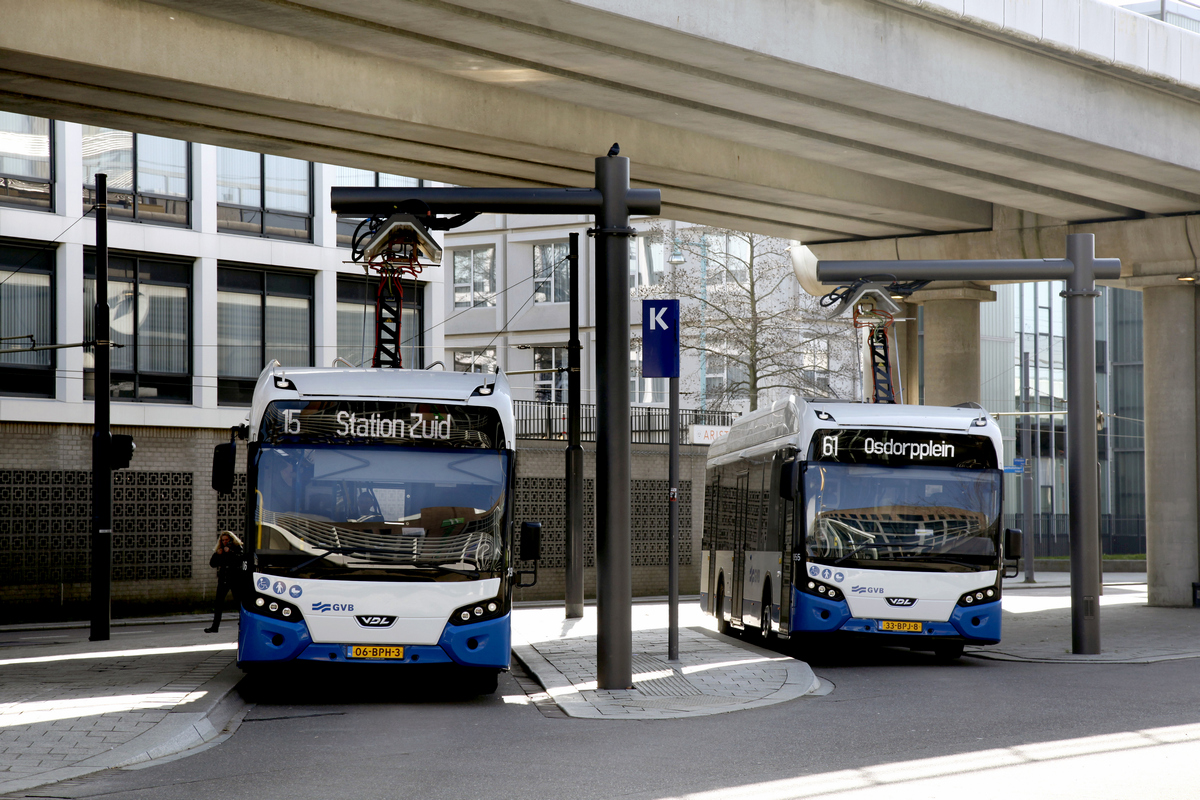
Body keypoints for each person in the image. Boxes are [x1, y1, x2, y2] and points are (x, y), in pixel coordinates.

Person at [205, 530, 243, 634]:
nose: (225, 542)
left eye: (227, 540)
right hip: (223, 579)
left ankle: (243, 623)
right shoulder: (220, 549)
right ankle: (214, 627)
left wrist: (230, 552)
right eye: (223, 540)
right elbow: (212, 564)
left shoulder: (237, 548)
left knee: (239, 603)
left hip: (235, 579)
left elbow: (241, 560)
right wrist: (217, 554)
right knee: (218, 604)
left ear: (231, 539)